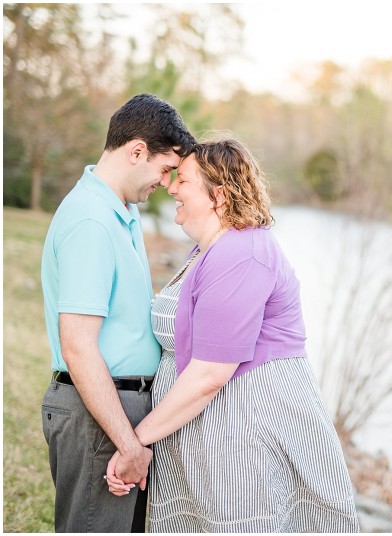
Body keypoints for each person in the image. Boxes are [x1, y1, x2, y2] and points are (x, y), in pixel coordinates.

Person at [105, 137, 361, 532]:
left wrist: (135, 442)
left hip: (246, 429)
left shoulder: (242, 253)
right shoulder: (210, 249)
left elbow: (210, 376)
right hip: (211, 429)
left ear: (218, 196)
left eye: (184, 181)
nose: (171, 188)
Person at [40, 93, 196, 533]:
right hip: (99, 415)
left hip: (116, 412)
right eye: (166, 169)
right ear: (136, 152)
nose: (166, 183)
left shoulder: (119, 213)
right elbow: (78, 345)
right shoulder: (92, 220)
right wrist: (128, 444)